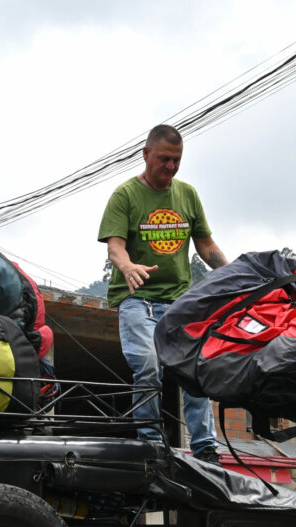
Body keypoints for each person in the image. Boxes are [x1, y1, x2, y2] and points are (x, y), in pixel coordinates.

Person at [98, 124, 228, 462]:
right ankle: (151, 442)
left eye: (177, 160)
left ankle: (205, 448)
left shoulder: (187, 195)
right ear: (146, 155)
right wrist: (127, 267)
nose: (170, 167)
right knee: (149, 364)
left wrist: (231, 274)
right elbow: (115, 248)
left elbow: (206, 246)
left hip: (179, 301)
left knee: (194, 369)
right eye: (164, 159)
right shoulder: (125, 196)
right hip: (137, 301)